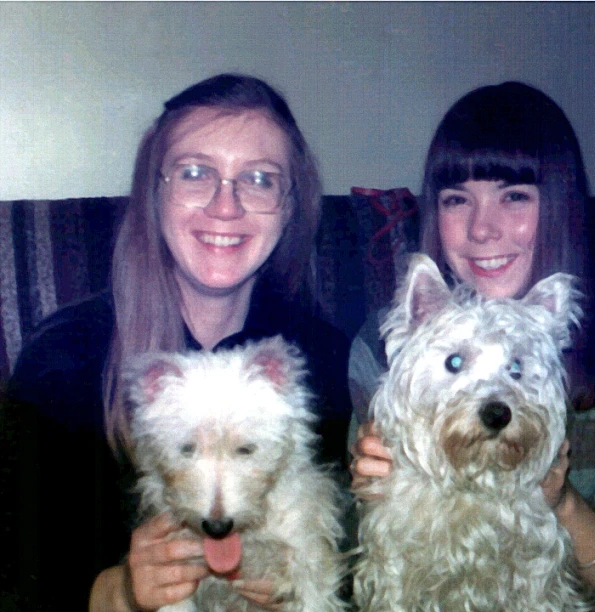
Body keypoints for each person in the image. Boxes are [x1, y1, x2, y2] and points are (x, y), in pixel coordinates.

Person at [0, 74, 352, 611]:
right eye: (195, 173)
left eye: (259, 178)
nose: (225, 206)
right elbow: (16, 579)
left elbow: (353, 557)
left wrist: (306, 584)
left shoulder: (319, 356)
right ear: (154, 191)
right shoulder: (64, 360)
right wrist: (115, 592)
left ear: (289, 206)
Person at [348, 82, 595, 611]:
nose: (481, 229)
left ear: (562, 205)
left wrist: (561, 502)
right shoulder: (381, 349)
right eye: (456, 200)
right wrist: (363, 493)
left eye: (514, 196)